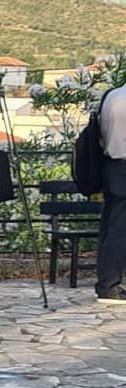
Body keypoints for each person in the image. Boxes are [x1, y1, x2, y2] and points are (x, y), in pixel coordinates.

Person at [97, 79, 126, 303]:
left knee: (109, 226)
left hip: (109, 165)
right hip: (123, 166)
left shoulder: (111, 95)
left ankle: (106, 282)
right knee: (120, 230)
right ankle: (110, 285)